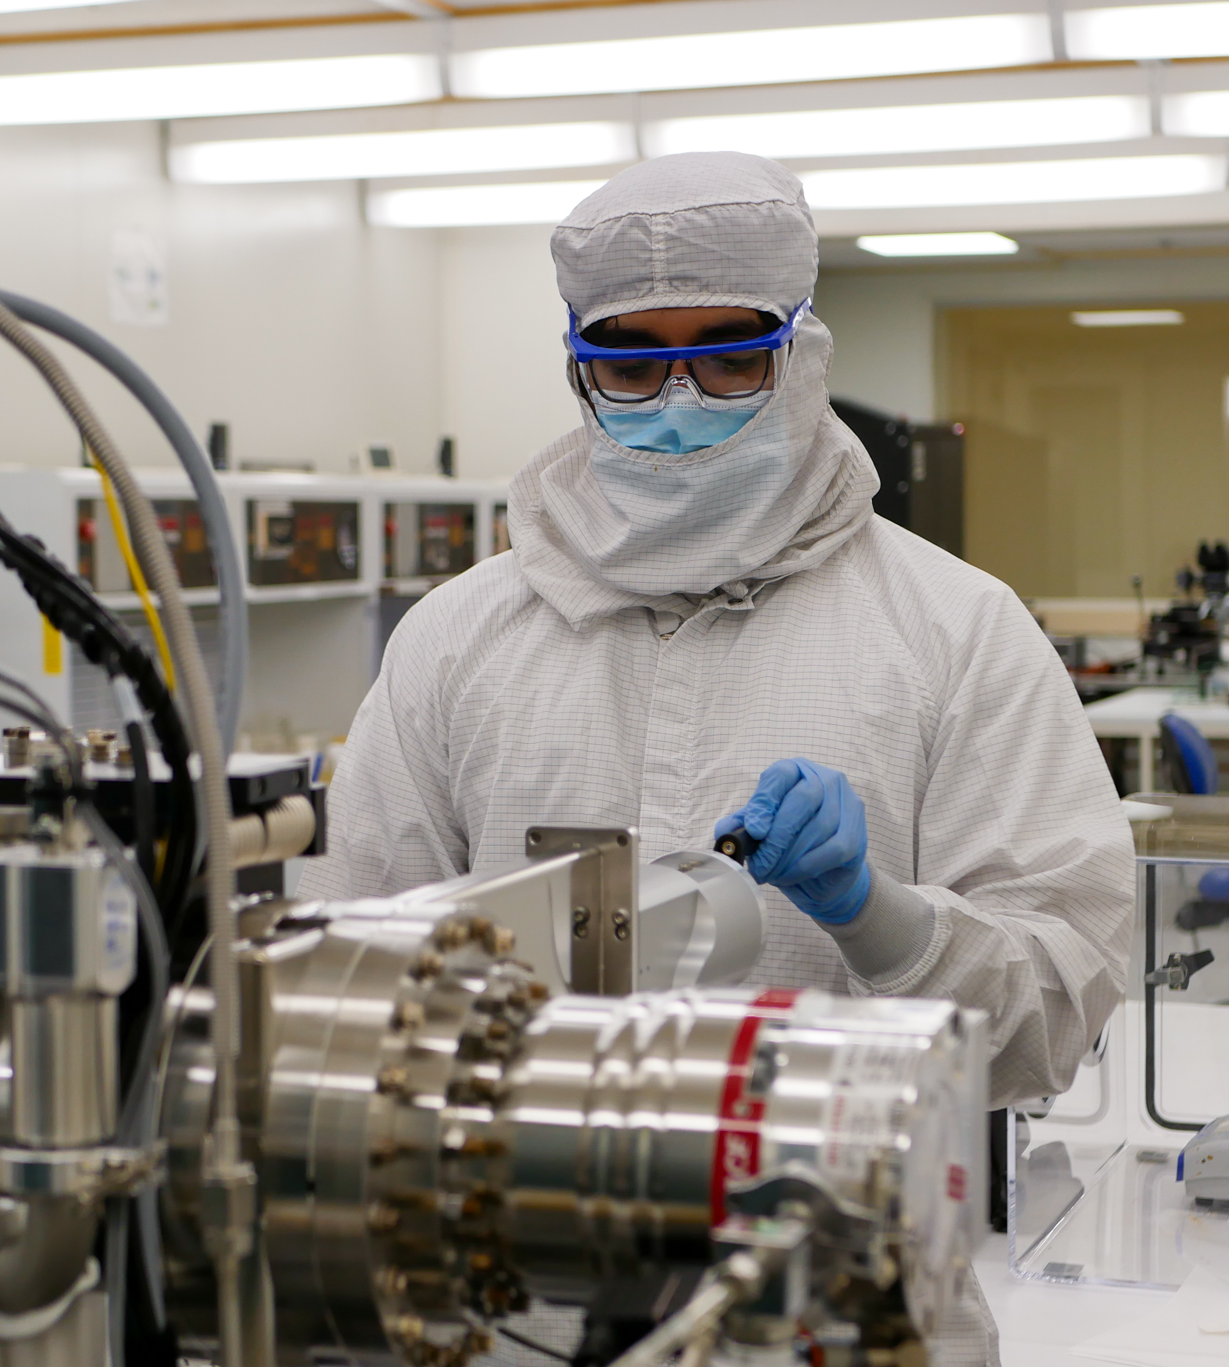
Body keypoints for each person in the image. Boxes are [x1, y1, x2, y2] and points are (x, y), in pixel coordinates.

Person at [298, 151, 1132, 1364]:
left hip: (851, 1307)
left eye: (729, 351)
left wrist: (883, 919)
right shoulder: (454, 643)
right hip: (516, 1309)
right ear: (579, 370)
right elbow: (353, 994)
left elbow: (1054, 1019)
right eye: (632, 361)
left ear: (799, 352)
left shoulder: (953, 630)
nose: (679, 395)